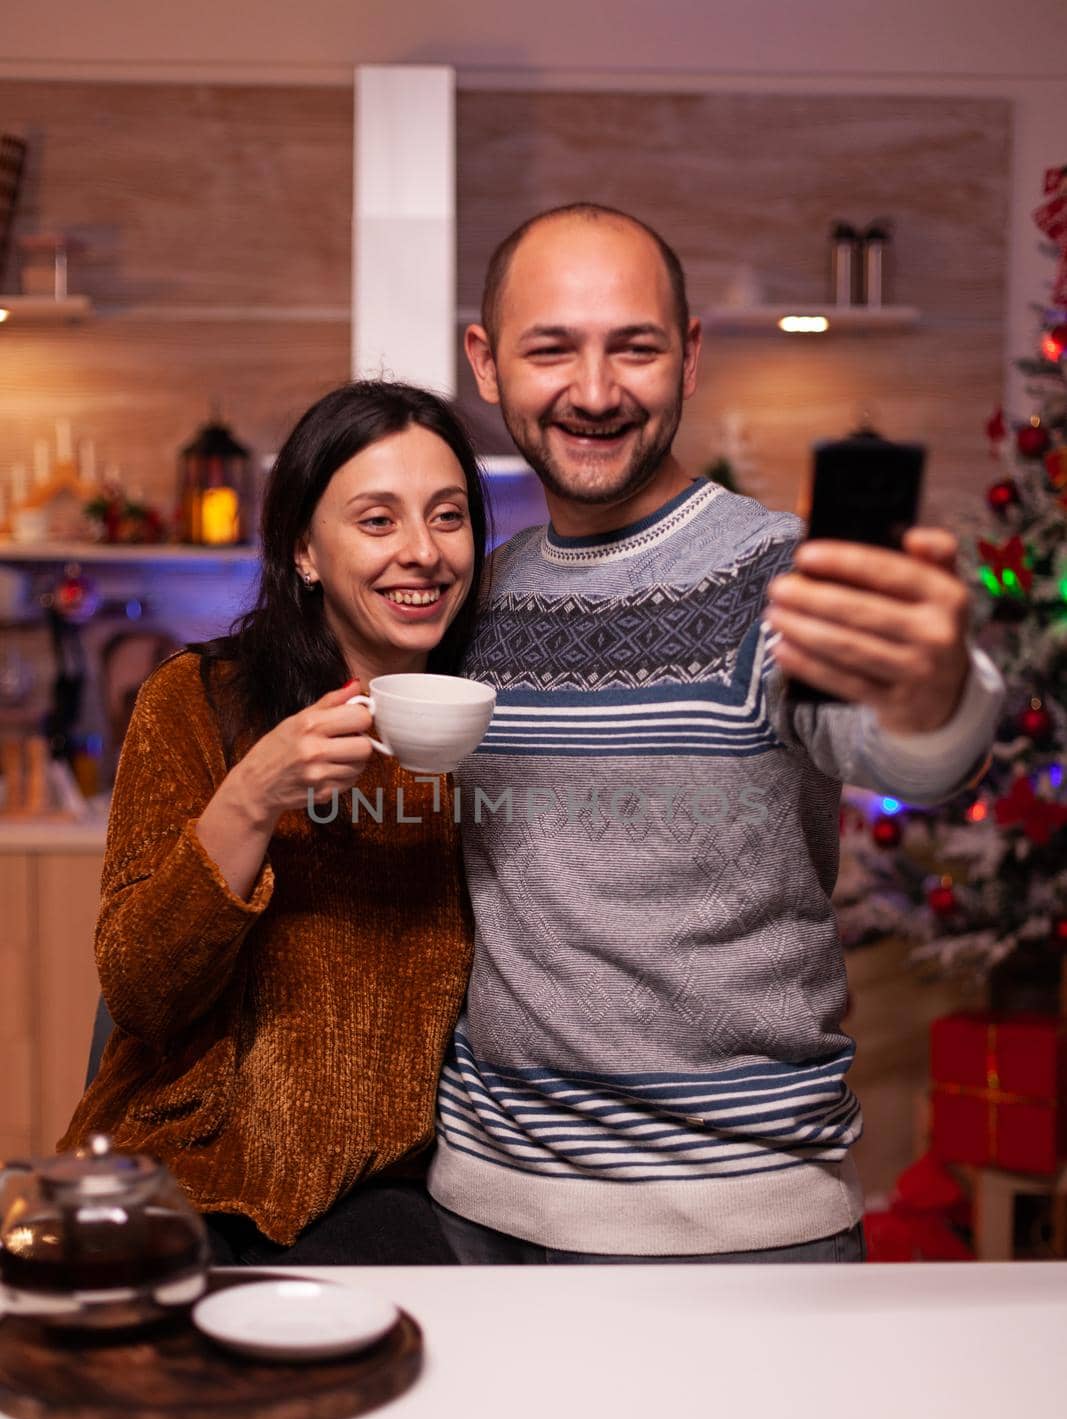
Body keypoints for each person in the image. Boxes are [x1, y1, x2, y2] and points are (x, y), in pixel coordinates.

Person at [427, 202, 1006, 1264]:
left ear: (686, 357)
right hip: (478, 1212)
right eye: (550, 347)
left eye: (633, 347)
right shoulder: (475, 596)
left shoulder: (775, 576)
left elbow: (911, 750)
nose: (593, 392)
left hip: (738, 1232)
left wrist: (929, 693)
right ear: (487, 361)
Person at [59, 381, 489, 1266]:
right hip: (182, 1165)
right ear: (303, 549)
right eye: (377, 521)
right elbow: (138, 992)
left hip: (386, 1189)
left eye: (447, 518)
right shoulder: (199, 701)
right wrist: (249, 798)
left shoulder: (488, 727)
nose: (422, 553)